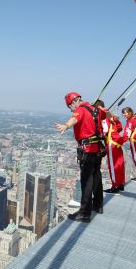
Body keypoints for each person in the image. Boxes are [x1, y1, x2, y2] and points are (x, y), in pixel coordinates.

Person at [55, 92, 104, 222]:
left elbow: (75, 119)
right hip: (98, 148)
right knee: (96, 176)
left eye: (69, 106)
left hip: (87, 150)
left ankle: (84, 213)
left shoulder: (80, 110)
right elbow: (107, 115)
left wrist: (65, 126)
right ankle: (98, 205)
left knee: (86, 181)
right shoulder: (95, 109)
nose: (70, 109)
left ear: (73, 102)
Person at [103, 111, 126, 193]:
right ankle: (120, 184)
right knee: (119, 165)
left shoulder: (105, 120)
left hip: (111, 145)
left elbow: (104, 131)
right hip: (118, 145)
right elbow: (120, 128)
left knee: (113, 166)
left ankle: (115, 186)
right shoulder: (113, 120)